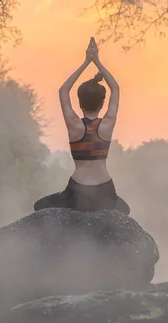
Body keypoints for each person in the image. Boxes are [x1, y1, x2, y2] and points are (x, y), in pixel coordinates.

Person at [34, 37, 130, 215]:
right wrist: (97, 61)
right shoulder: (107, 124)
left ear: (79, 103)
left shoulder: (75, 125)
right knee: (125, 210)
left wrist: (86, 61)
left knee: (39, 206)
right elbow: (115, 88)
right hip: (105, 190)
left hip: (77, 191)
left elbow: (63, 90)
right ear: (102, 103)